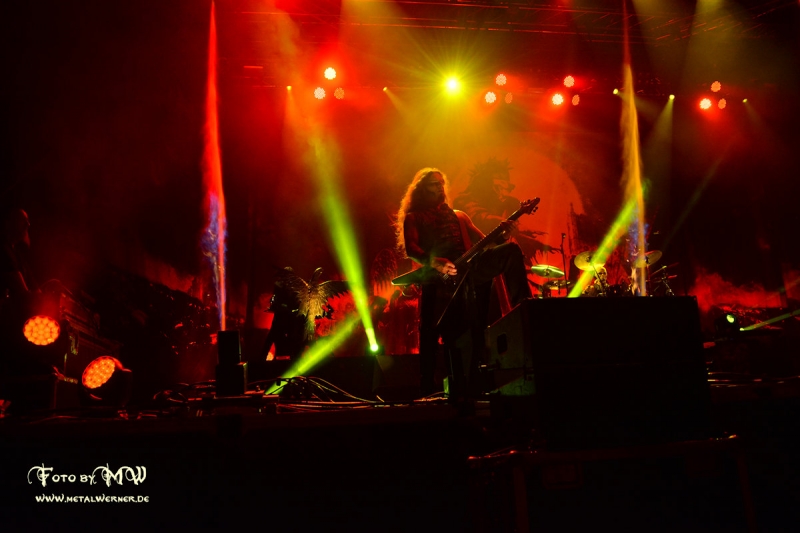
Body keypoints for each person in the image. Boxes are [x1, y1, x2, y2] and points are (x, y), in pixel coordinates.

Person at [395, 168, 531, 396]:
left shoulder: (459, 216)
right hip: (437, 279)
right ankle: (427, 388)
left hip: (468, 270)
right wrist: (434, 262)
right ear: (421, 189)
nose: (440, 188)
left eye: (441, 183)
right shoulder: (414, 218)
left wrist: (504, 234)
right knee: (431, 333)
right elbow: (412, 249)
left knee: (509, 251)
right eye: (433, 184)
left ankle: (524, 306)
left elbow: (485, 242)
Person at [1, 209, 35, 298]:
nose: (28, 224)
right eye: (23, 220)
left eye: (27, 221)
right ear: (9, 223)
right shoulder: (3, 250)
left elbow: (32, 283)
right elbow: (23, 292)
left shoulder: (17, 253)